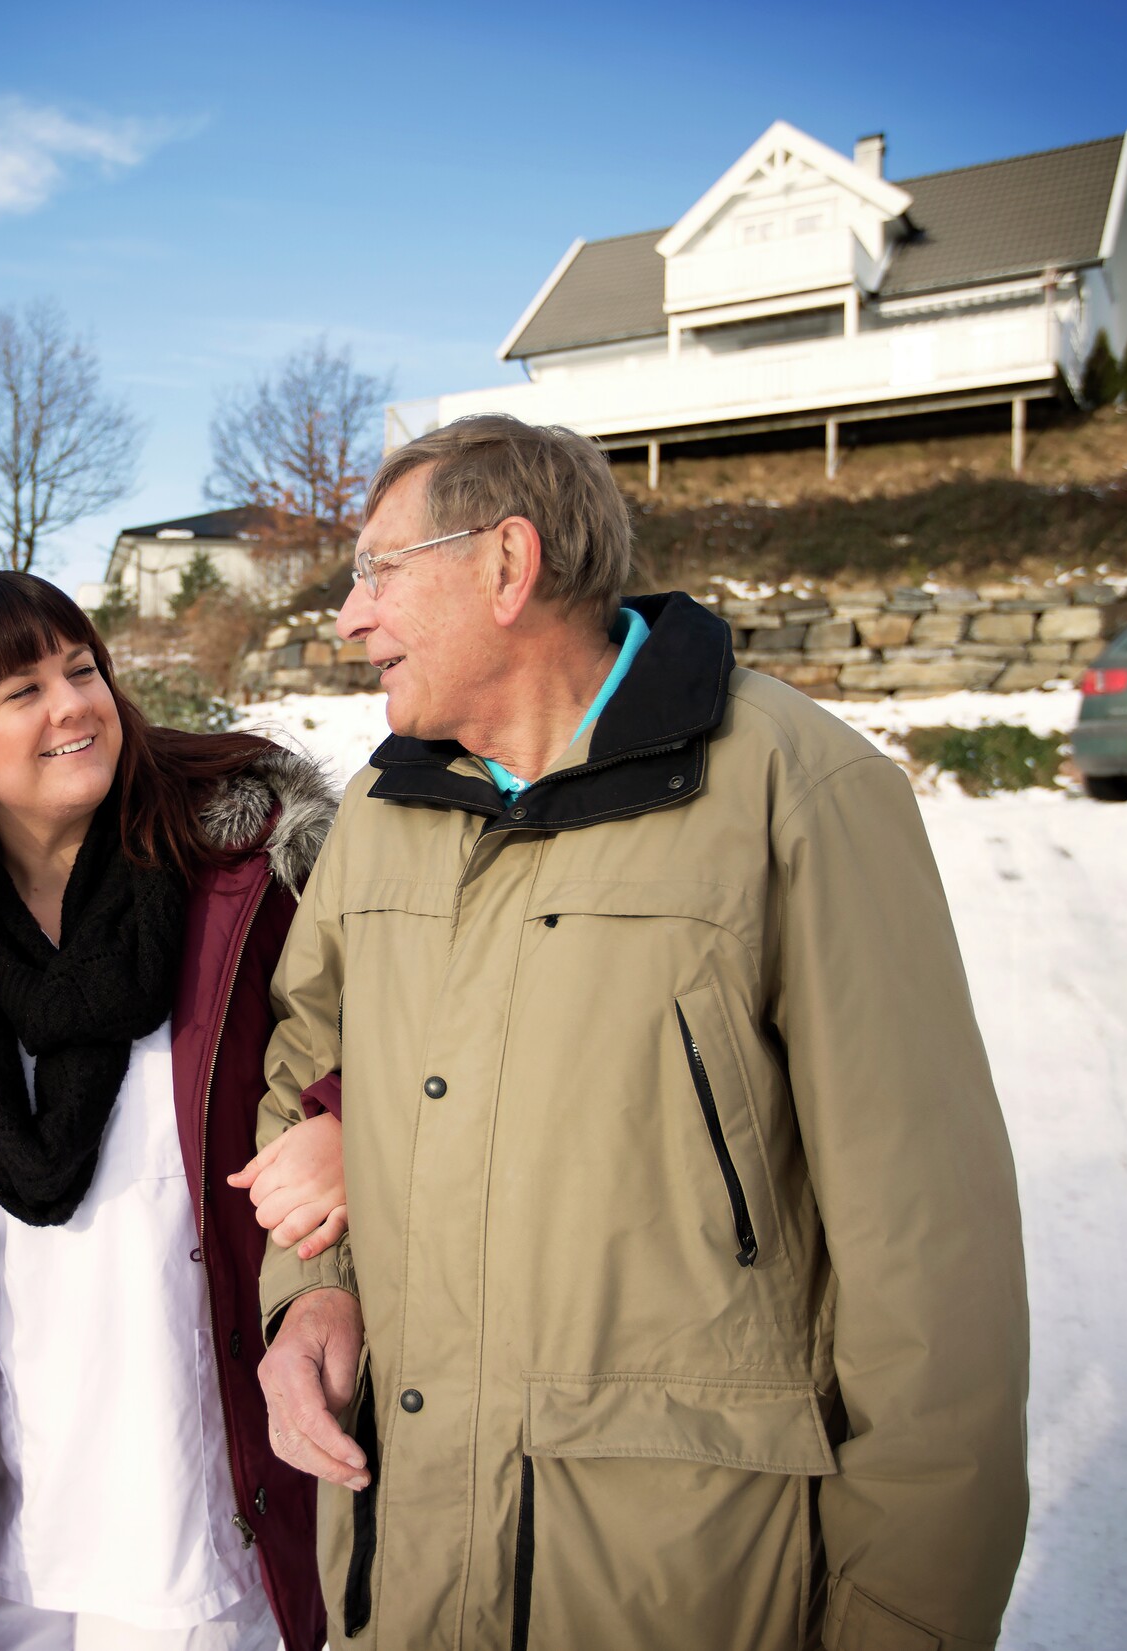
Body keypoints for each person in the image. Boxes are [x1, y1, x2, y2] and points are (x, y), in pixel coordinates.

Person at [252, 414, 1030, 1650]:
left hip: (686, 1575)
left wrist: (903, 1618)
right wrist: (311, 1293)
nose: (348, 615)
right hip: (402, 1575)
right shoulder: (386, 809)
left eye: (378, 567)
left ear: (507, 565)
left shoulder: (796, 789)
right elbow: (308, 1062)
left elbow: (927, 1249)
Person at [0, 572, 346, 1651]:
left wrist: (347, 1123)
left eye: (82, 668)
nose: (74, 705)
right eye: (21, 689)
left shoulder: (240, 891)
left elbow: (394, 1038)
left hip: (194, 1507)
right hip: (4, 1527)